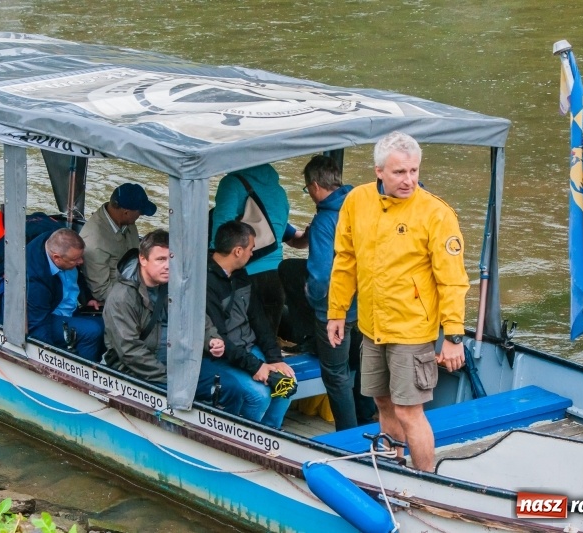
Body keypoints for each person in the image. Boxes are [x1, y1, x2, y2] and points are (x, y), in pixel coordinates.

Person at [327, 131, 470, 471]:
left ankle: (426, 480)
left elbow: (452, 279)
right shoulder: (357, 201)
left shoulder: (436, 213)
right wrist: (336, 311)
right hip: (372, 325)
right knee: (382, 401)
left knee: (409, 411)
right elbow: (345, 259)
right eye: (399, 172)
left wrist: (453, 335)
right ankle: (393, 467)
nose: (409, 180)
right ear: (378, 171)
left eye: (414, 171)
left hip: (412, 330)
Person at [102, 230, 245, 408]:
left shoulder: (176, 284)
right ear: (143, 259)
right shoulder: (122, 297)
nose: (168, 266)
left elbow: (196, 317)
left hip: (177, 362)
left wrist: (212, 339)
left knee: (231, 388)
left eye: (171, 258)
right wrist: (169, 377)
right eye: (160, 259)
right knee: (184, 398)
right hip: (140, 370)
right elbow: (129, 350)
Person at [278, 155, 360, 430]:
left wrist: (313, 297)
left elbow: (322, 275)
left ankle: (348, 436)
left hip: (335, 310)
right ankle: (366, 418)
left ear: (314, 186)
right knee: (360, 365)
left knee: (335, 375)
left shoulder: (325, 221)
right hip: (364, 303)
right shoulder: (359, 206)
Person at [201, 220, 296, 428]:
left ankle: (271, 432)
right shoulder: (205, 282)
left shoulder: (241, 274)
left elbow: (259, 319)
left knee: (286, 386)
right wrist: (256, 366)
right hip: (222, 355)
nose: (252, 253)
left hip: (249, 348)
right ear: (237, 251)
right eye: (251, 248)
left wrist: (274, 358)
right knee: (259, 395)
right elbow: (219, 338)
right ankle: (246, 434)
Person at [209, 164, 292, 334]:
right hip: (276, 277)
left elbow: (223, 230)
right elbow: (281, 229)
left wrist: (212, 266)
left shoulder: (232, 183)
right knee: (268, 338)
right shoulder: (279, 191)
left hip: (244, 276)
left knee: (238, 338)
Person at [26, 228, 105, 362]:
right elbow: (38, 325)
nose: (81, 262)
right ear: (56, 258)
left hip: (69, 307)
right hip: (48, 317)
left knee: (108, 323)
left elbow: (78, 277)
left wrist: (87, 298)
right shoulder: (36, 280)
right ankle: (82, 368)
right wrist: (51, 360)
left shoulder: (58, 242)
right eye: (75, 259)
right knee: (92, 331)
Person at [80, 182, 157, 303]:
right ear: (126, 212)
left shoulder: (126, 221)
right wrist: (140, 298)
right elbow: (101, 291)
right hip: (118, 299)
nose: (140, 216)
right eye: (140, 213)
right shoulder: (94, 242)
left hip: (136, 282)